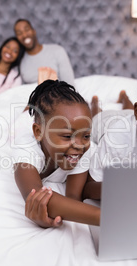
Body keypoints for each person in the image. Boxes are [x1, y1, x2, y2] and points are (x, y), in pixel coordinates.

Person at [25, 64, 137, 227]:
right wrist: (126, 185)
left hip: (135, 120)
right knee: (97, 115)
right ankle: (95, 103)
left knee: (127, 109)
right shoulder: (116, 136)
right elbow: (88, 188)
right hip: (106, 124)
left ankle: (124, 98)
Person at [12, 80, 100, 228]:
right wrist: (108, 219)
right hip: (21, 127)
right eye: (67, 136)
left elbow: (73, 199)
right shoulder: (25, 148)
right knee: (24, 114)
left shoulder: (85, 150)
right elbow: (35, 196)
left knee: (98, 118)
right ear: (39, 132)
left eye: (85, 136)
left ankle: (96, 104)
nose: (79, 145)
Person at [13, 19, 75, 85]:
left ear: (34, 31)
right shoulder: (19, 61)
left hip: (57, 94)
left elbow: (69, 83)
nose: (24, 35)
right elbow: (21, 90)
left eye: (27, 29)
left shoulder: (57, 50)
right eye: (19, 33)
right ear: (17, 38)